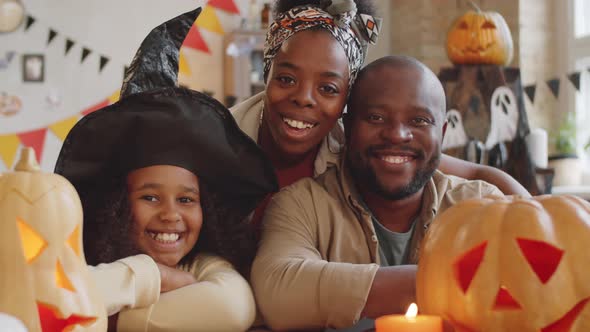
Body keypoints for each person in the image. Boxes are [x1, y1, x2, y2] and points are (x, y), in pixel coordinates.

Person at [54, 8, 277, 332]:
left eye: (186, 200)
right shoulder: (79, 259)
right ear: (117, 206)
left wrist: (111, 318)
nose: (171, 214)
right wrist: (151, 274)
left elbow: (233, 306)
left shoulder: (203, 266)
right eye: (150, 197)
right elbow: (54, 294)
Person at [250, 55, 505, 330]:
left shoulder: (481, 206)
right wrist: (450, 283)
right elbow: (276, 291)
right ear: (348, 128)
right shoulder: (301, 205)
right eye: (376, 117)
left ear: (441, 133)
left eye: (419, 120)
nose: (397, 135)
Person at [231, 0, 528, 227]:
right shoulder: (217, 137)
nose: (304, 99)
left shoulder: (354, 145)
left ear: (347, 99)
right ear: (267, 73)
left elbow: (478, 173)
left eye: (328, 89)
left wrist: (543, 218)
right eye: (287, 79)